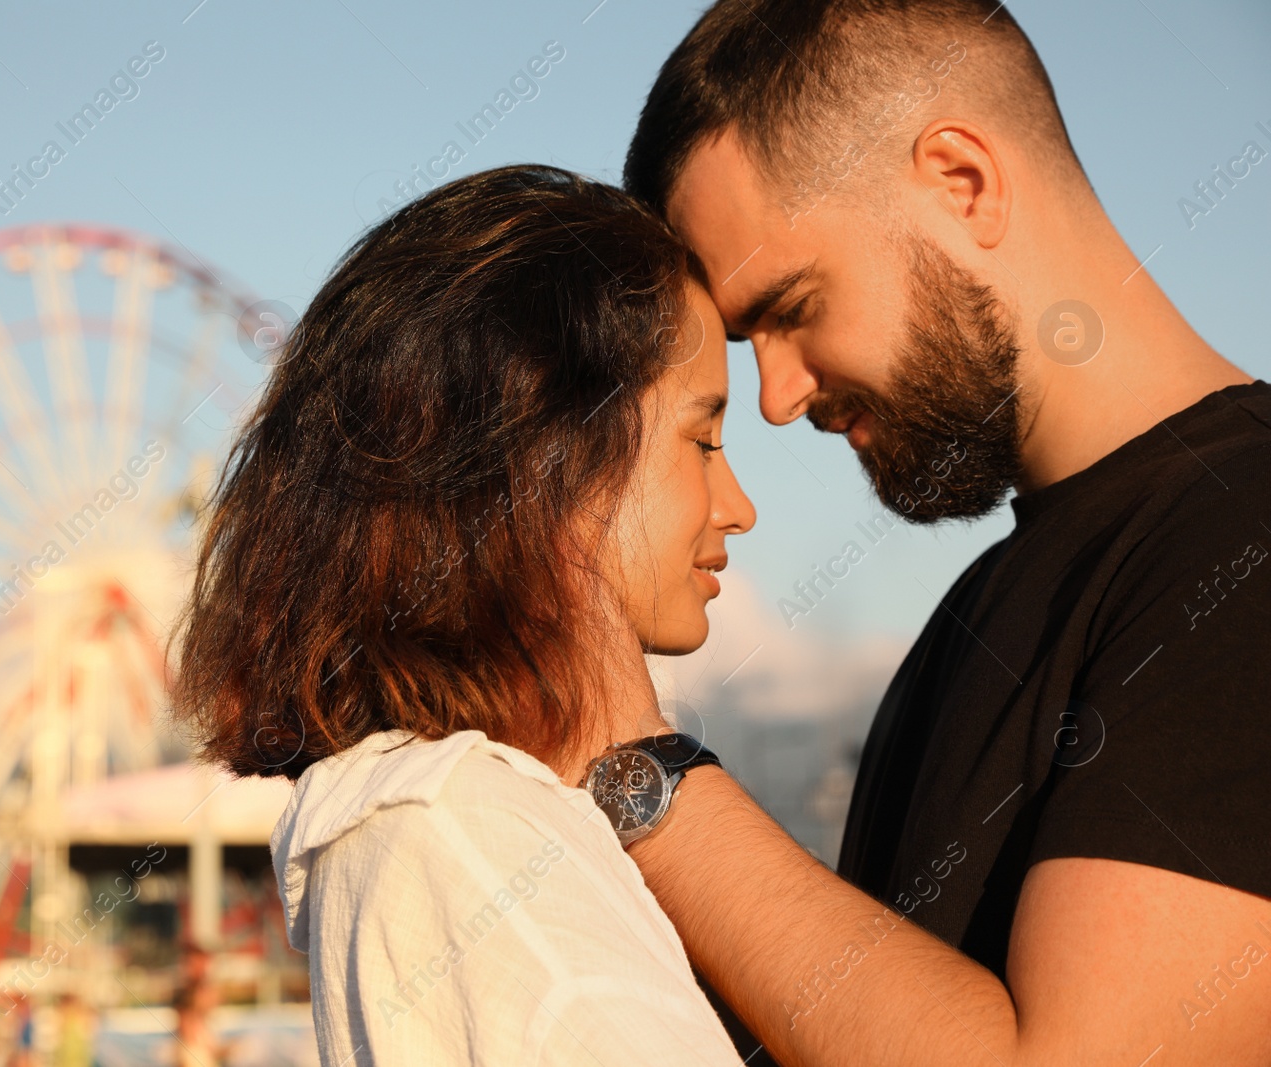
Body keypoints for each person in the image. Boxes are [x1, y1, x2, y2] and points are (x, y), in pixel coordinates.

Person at [602, 1, 1271, 1064]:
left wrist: (627, 761)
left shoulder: (1244, 538)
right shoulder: (974, 615)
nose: (774, 398)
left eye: (791, 305)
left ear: (963, 181)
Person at [170, 164, 756, 1064]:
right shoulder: (471, 839)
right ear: (551, 456)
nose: (737, 504)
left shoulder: (428, 823)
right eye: (703, 439)